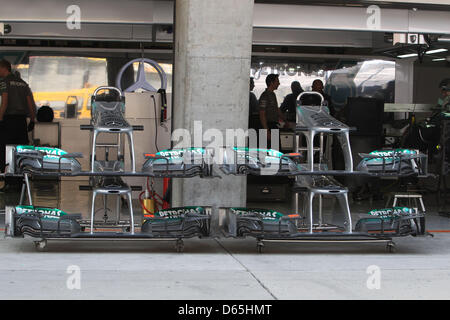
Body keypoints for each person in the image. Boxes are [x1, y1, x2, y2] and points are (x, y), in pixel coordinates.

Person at [0, 59, 36, 192]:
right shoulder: (22, 83)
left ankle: (9, 183)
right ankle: (21, 182)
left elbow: (4, 101)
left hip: (8, 121)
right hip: (21, 122)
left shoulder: (4, 82)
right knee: (20, 152)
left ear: (3, 68)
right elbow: (30, 103)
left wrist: (0, 119)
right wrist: (32, 120)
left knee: (6, 152)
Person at [258, 74, 285, 149]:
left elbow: (277, 109)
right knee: (268, 152)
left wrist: (285, 120)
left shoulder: (272, 94)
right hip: (267, 126)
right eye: (277, 81)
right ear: (271, 83)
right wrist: (266, 131)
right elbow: (262, 114)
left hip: (273, 126)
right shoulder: (265, 96)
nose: (279, 83)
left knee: (276, 151)